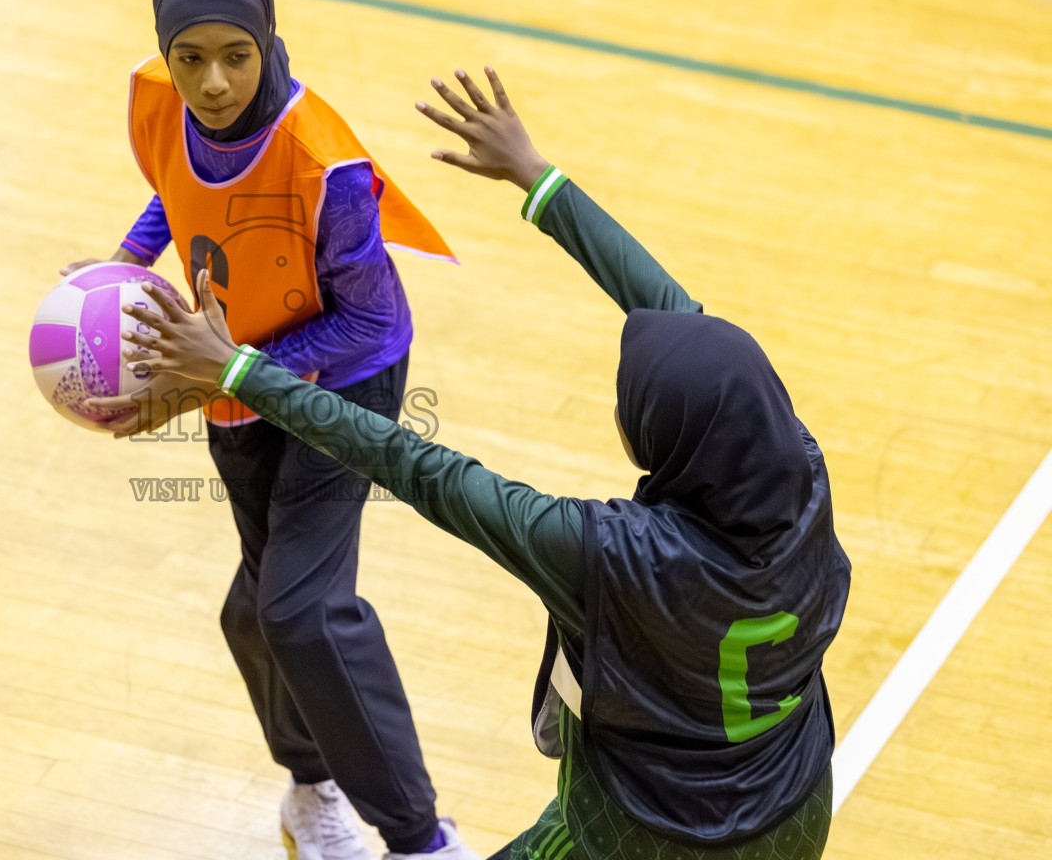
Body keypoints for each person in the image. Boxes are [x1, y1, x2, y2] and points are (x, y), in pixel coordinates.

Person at [114, 66, 852, 860]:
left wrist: (239, 371)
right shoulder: (797, 467)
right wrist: (537, 178)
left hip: (640, 833)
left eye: (625, 399)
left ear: (654, 438)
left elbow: (416, 465)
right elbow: (681, 318)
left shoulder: (607, 556)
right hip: (797, 809)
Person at [72, 0, 479, 860]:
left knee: (301, 610)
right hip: (232, 364)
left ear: (266, 41)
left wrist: (224, 371)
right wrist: (122, 266)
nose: (212, 82)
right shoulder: (163, 101)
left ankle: (421, 840)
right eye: (190, 58)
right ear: (165, 52)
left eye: (236, 56)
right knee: (259, 612)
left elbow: (370, 317)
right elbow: (176, 189)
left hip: (349, 378)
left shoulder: (323, 163)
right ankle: (310, 788)